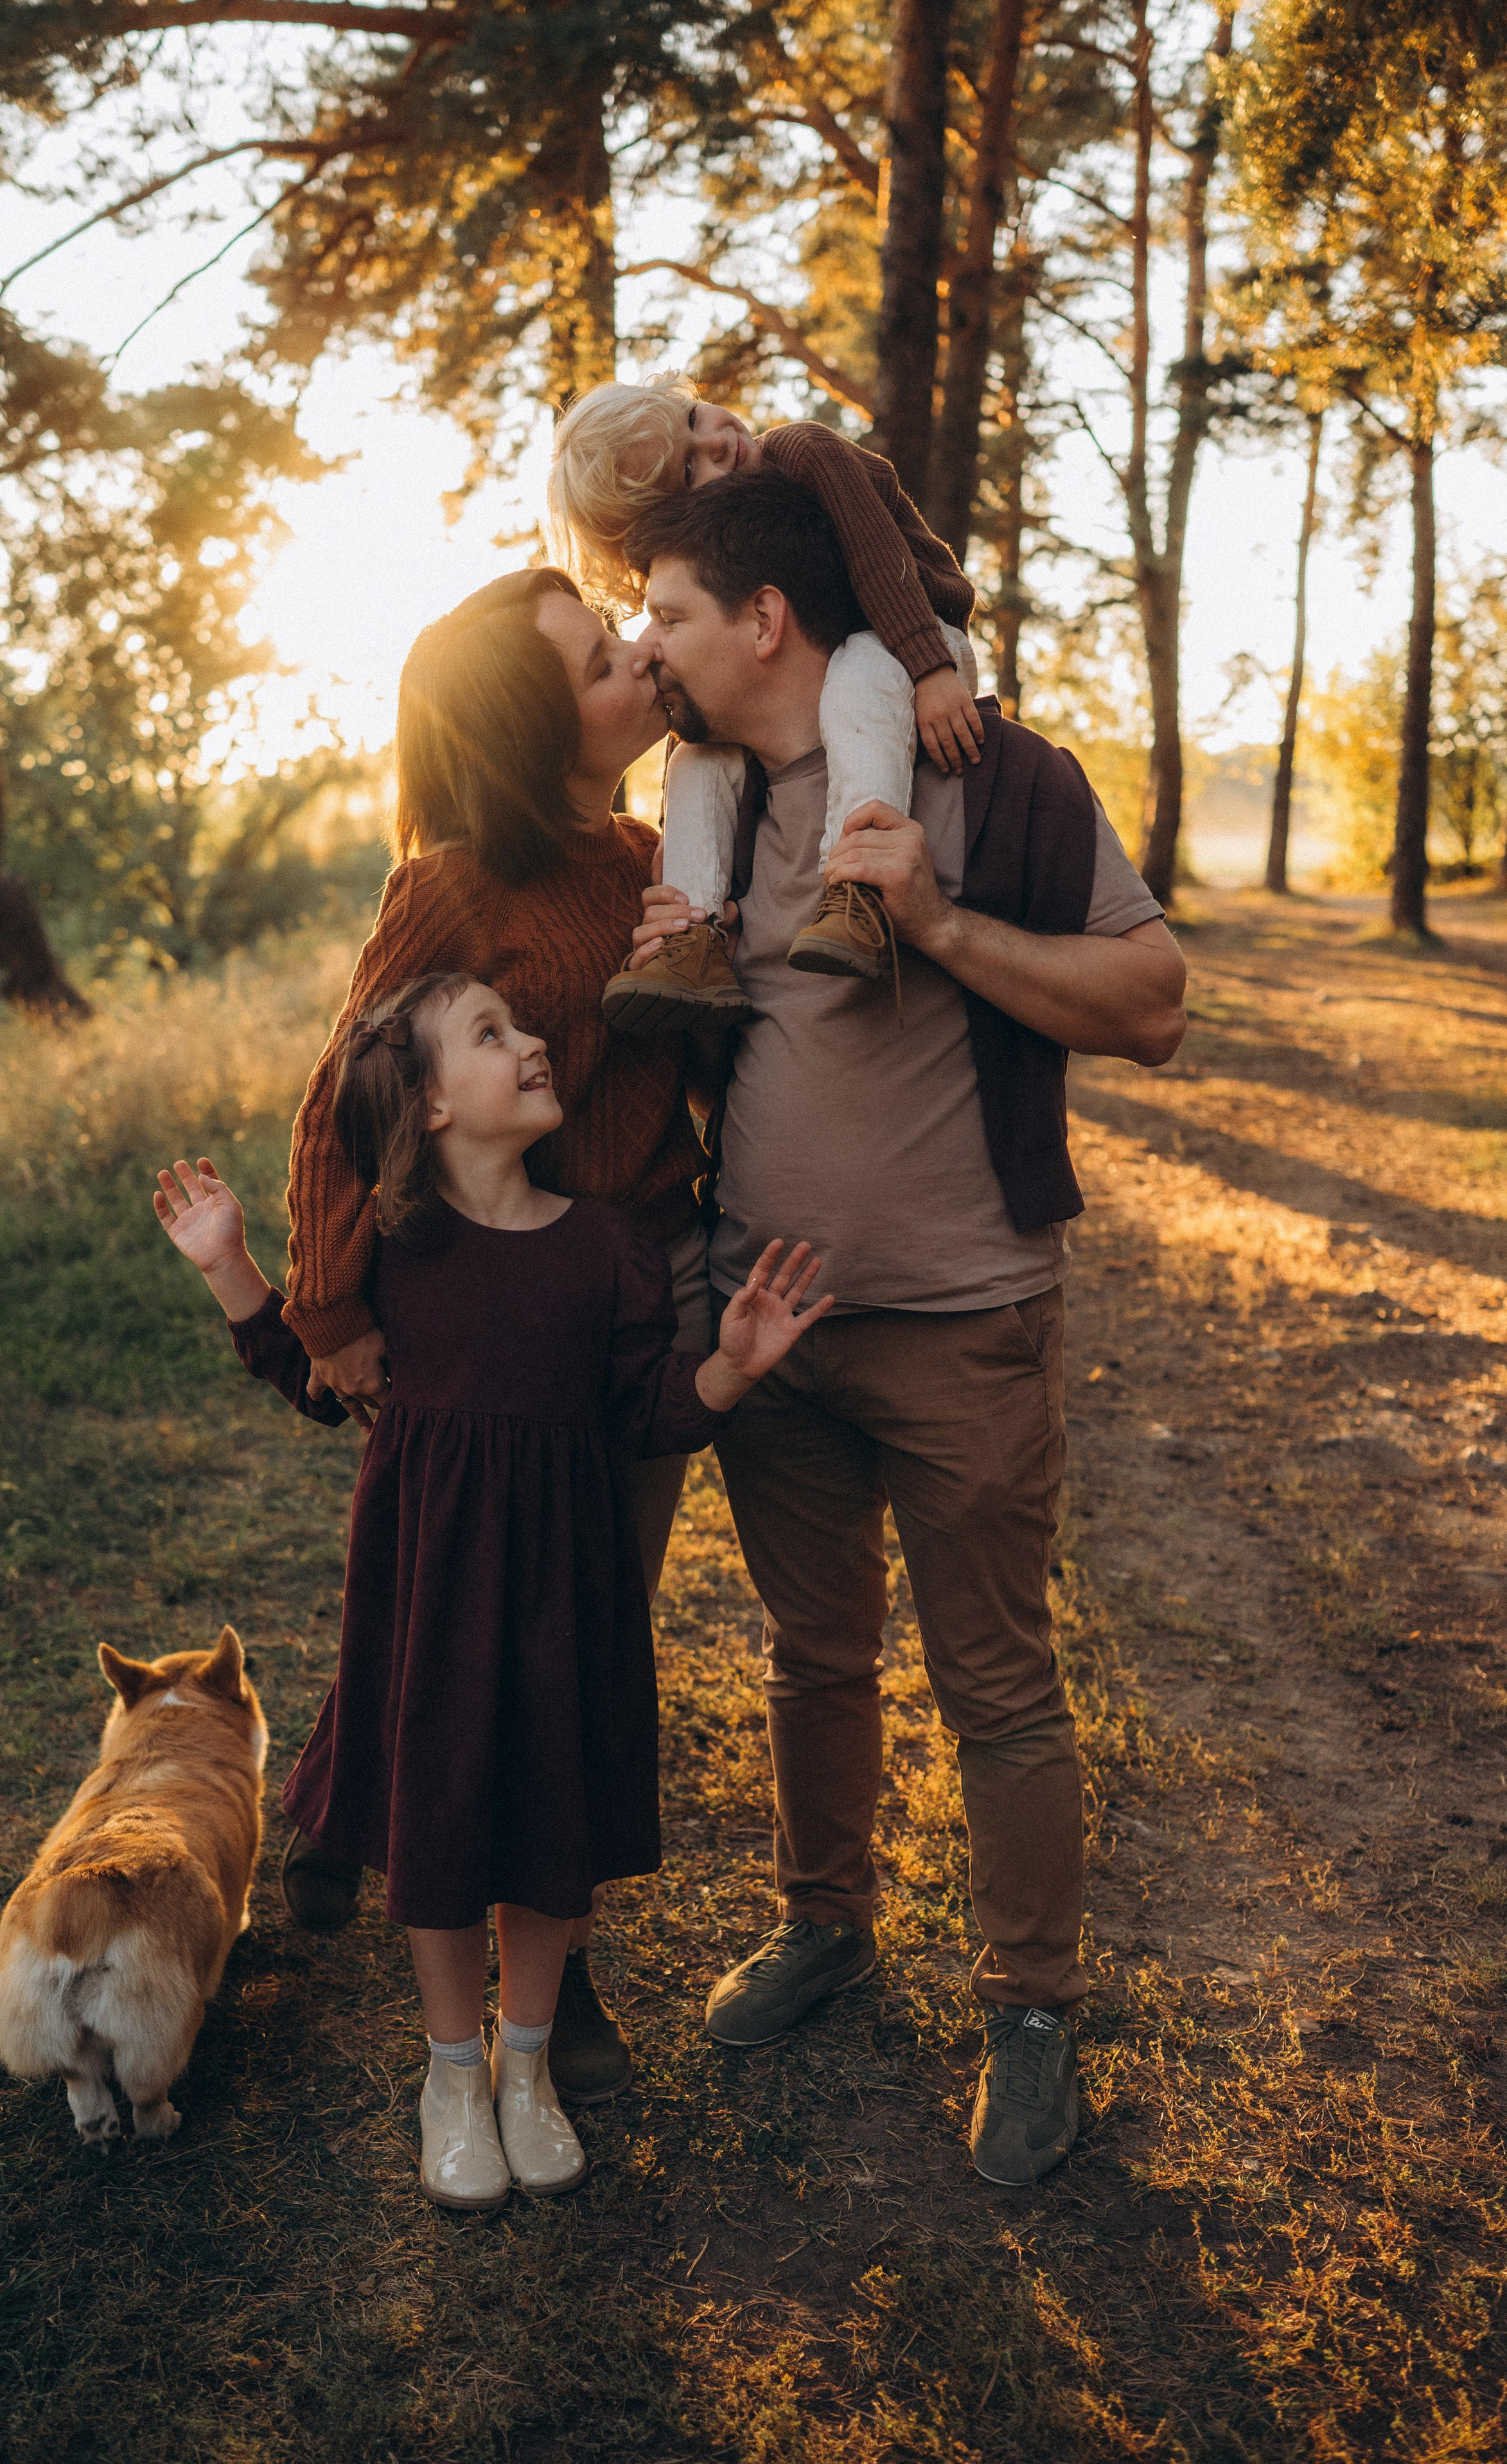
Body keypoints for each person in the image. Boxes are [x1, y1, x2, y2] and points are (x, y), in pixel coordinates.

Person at [617, 472, 1188, 2187]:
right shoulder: (699, 809)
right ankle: (826, 1927)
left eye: (666, 614)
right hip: (771, 1331)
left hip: (966, 1322)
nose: (651, 645)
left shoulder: (999, 778)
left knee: (997, 1683)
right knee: (813, 1659)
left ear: (762, 620)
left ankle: (1029, 2007)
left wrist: (933, 918)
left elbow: (1153, 1006)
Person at [152, 973, 831, 2211]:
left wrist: (730, 1368)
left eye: (523, 1025)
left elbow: (648, 1412)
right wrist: (235, 1275)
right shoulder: (394, 1262)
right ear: (428, 1104)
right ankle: (452, 2075)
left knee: (545, 1815)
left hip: (567, 1589)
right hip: (431, 1592)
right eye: (492, 1034)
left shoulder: (608, 1249)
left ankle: (529, 2070)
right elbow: (320, 1388)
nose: (532, 1044)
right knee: (446, 1816)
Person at [274, 565, 714, 2106]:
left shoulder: (660, 855)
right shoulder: (456, 886)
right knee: (467, 1595)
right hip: (476, 1305)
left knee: (578, 1611)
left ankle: (476, 1879)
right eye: (605, 658)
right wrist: (327, 1310)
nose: (639, 660)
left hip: (621, 1281)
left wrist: (691, 961)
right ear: (538, 737)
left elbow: (685, 1070)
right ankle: (451, 1888)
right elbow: (349, 1093)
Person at [546, 375, 985, 1011]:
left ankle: (859, 888)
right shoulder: (727, 549)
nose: (716, 442)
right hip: (842, 663)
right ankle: (691, 939)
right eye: (689, 468)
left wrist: (928, 667)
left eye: (694, 416)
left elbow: (876, 556)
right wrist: (690, 840)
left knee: (859, 671)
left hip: (918, 631)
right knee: (696, 759)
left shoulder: (803, 454)